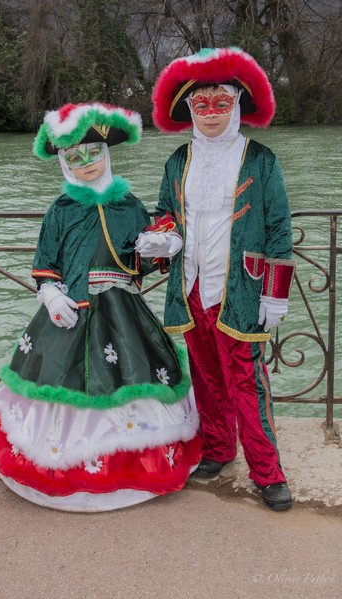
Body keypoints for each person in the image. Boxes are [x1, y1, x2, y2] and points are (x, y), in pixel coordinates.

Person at [0, 102, 201, 512]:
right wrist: (50, 294)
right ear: (64, 164)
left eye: (93, 153)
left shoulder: (130, 204)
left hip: (124, 312)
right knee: (69, 381)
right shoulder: (60, 211)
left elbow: (139, 262)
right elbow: (44, 264)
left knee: (133, 375)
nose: (87, 164)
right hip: (71, 313)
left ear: (107, 153)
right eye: (75, 158)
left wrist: (161, 248)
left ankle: (135, 466)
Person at [136, 47, 295, 511]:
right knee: (205, 378)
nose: (210, 114)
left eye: (220, 105)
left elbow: (279, 228)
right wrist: (162, 240)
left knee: (248, 381)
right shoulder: (176, 162)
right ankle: (220, 450)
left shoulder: (261, 159)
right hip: (189, 289)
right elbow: (166, 214)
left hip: (240, 290)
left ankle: (267, 473)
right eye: (200, 106)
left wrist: (276, 293)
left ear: (236, 107)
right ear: (189, 110)